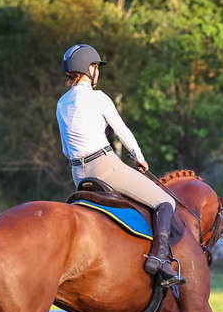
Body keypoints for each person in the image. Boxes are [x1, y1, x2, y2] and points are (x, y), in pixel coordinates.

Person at [56, 44, 184, 288]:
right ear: (89, 69)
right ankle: (159, 258)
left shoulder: (62, 103)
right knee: (165, 202)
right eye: (96, 67)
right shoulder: (98, 97)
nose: (98, 72)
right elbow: (122, 131)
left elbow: (65, 148)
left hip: (77, 174)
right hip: (105, 167)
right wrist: (138, 157)